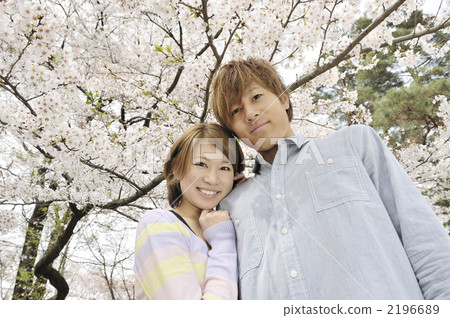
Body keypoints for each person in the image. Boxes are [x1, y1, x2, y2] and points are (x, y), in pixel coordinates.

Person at [210, 57, 450, 300]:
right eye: (236, 111)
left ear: (284, 98)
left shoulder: (355, 144)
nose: (250, 113)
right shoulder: (231, 204)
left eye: (256, 97)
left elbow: (424, 242)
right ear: (234, 131)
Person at [134, 123, 245, 299]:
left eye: (225, 168)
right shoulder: (158, 225)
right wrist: (223, 242)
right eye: (201, 164)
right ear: (176, 168)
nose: (212, 179)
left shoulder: (232, 228)